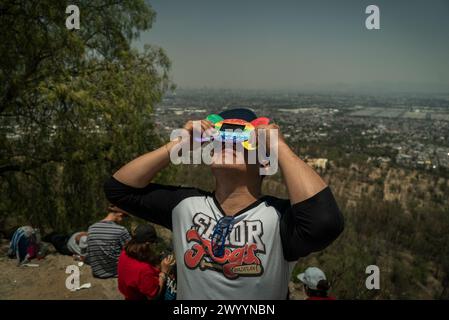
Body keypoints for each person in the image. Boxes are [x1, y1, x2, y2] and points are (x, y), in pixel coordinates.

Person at [104, 108, 344, 299]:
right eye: (220, 138)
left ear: (263, 161)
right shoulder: (184, 205)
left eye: (242, 139)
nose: (228, 143)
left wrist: (279, 147)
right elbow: (118, 190)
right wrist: (177, 145)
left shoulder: (279, 217)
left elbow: (325, 223)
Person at [117, 224, 175, 300]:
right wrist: (164, 272)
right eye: (154, 243)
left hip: (129, 294)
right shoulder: (144, 269)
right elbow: (154, 295)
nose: (155, 246)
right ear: (148, 244)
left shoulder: (124, 253)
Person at [86, 205, 131, 278]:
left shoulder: (91, 228)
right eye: (124, 216)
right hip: (115, 272)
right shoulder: (120, 230)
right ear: (119, 214)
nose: (123, 219)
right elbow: (132, 250)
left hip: (97, 272)